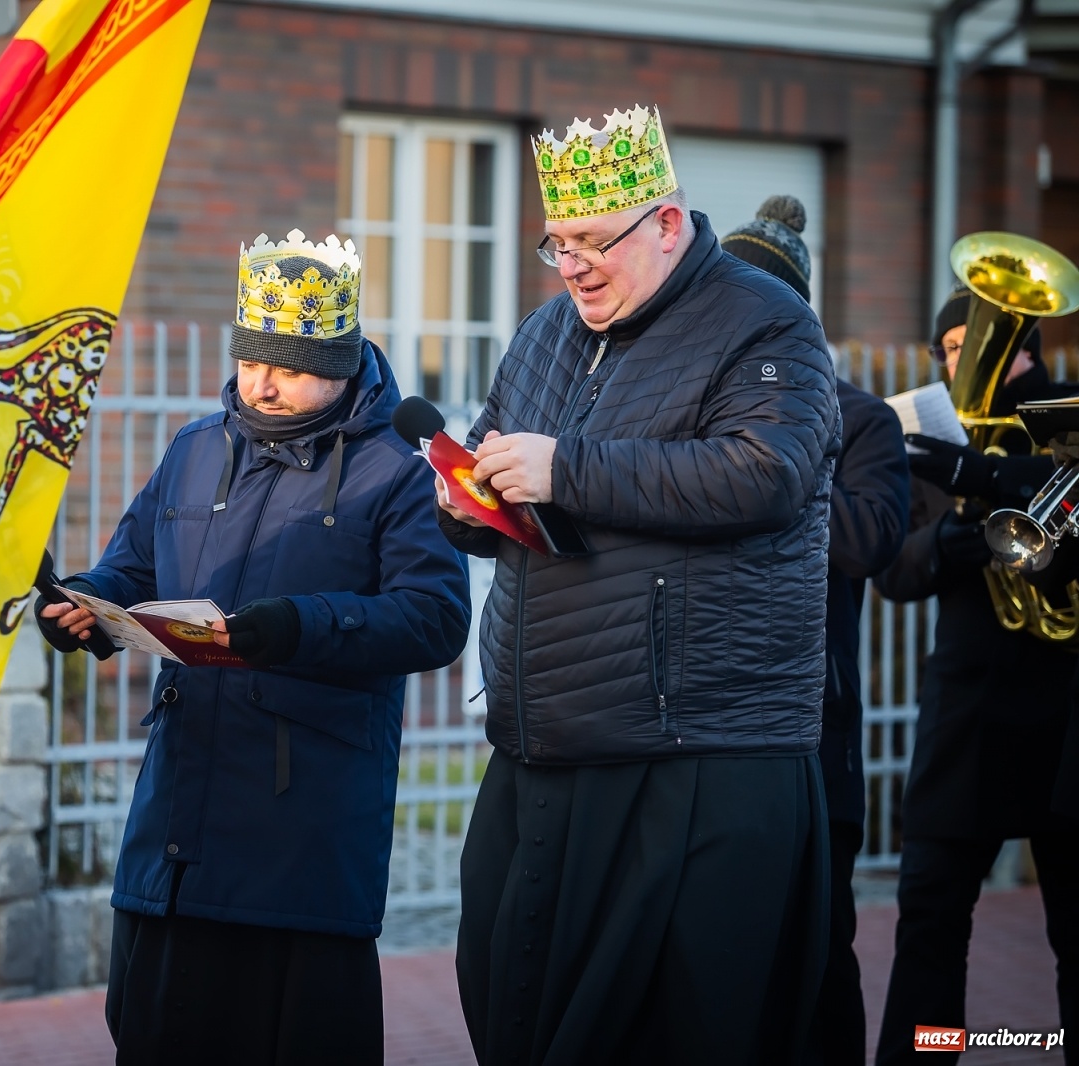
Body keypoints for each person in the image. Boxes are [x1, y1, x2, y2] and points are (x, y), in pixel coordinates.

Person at [443, 106, 840, 1065]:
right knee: (505, 1003)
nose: (572, 264)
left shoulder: (764, 320)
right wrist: (468, 504)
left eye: (592, 241)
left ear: (667, 223)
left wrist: (564, 469)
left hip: (695, 752)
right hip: (547, 745)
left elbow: (764, 474)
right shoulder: (545, 332)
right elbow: (514, 460)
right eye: (558, 242)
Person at [37, 229, 470, 1065]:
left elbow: (435, 617)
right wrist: (85, 606)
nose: (262, 383)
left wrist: (297, 625)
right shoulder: (195, 448)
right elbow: (130, 567)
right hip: (174, 836)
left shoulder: (399, 469)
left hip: (300, 847)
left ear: (341, 362)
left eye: (289, 365)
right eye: (251, 359)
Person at [725, 195, 912, 1065]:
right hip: (708, 727)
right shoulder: (688, 408)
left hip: (813, 731)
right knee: (718, 961)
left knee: (818, 956)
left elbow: (873, 540)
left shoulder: (861, 419)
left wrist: (774, 464)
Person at [873, 288, 1079, 1064]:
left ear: (1025, 342)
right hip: (969, 712)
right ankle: (924, 1056)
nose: (966, 360)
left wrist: (987, 474)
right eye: (951, 349)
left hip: (1061, 713)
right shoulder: (932, 433)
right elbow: (895, 568)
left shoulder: (1065, 415)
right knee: (929, 922)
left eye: (981, 343)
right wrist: (947, 546)